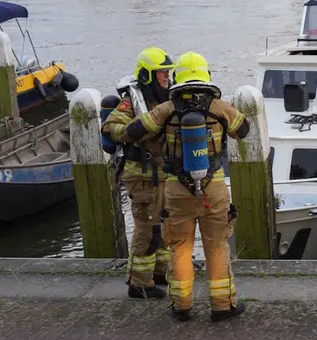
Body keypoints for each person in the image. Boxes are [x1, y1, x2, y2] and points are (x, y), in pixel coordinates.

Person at [121, 51, 250, 322]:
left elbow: (135, 131)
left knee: (180, 247)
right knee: (216, 246)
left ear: (178, 77)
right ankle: (223, 306)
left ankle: (181, 306)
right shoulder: (218, 106)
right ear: (206, 76)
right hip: (212, 189)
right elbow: (243, 129)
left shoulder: (167, 109)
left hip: (176, 190)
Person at [102, 47, 175, 299]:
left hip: (163, 173)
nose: (166, 77)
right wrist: (136, 129)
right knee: (147, 229)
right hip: (142, 175)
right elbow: (110, 126)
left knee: (165, 227)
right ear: (147, 76)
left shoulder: (168, 97)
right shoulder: (133, 101)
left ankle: (159, 272)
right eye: (161, 73)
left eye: (167, 73)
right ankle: (138, 283)